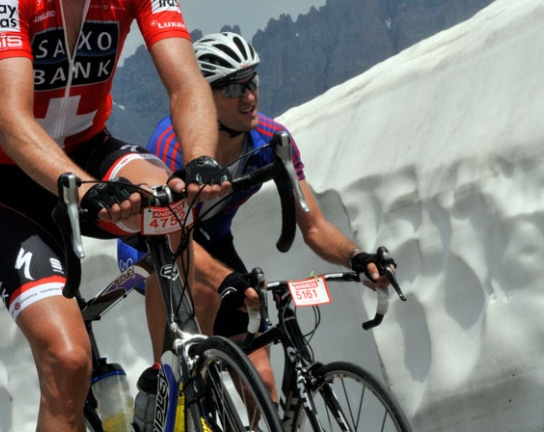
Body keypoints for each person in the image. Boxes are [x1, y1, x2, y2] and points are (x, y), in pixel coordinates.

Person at [0, 2, 231, 431]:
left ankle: (169, 394)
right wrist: (87, 189)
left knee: (169, 209)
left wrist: (202, 158)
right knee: (68, 360)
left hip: (86, 145)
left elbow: (187, 83)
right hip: (3, 173)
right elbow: (10, 118)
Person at [118, 32, 397, 407]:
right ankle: (169, 394)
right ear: (203, 96)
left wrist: (358, 258)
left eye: (252, 82)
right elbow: (171, 240)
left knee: (261, 382)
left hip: (212, 245)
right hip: (155, 246)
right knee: (194, 313)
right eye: (233, 87)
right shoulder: (170, 143)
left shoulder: (271, 140)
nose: (248, 96)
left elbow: (313, 225)